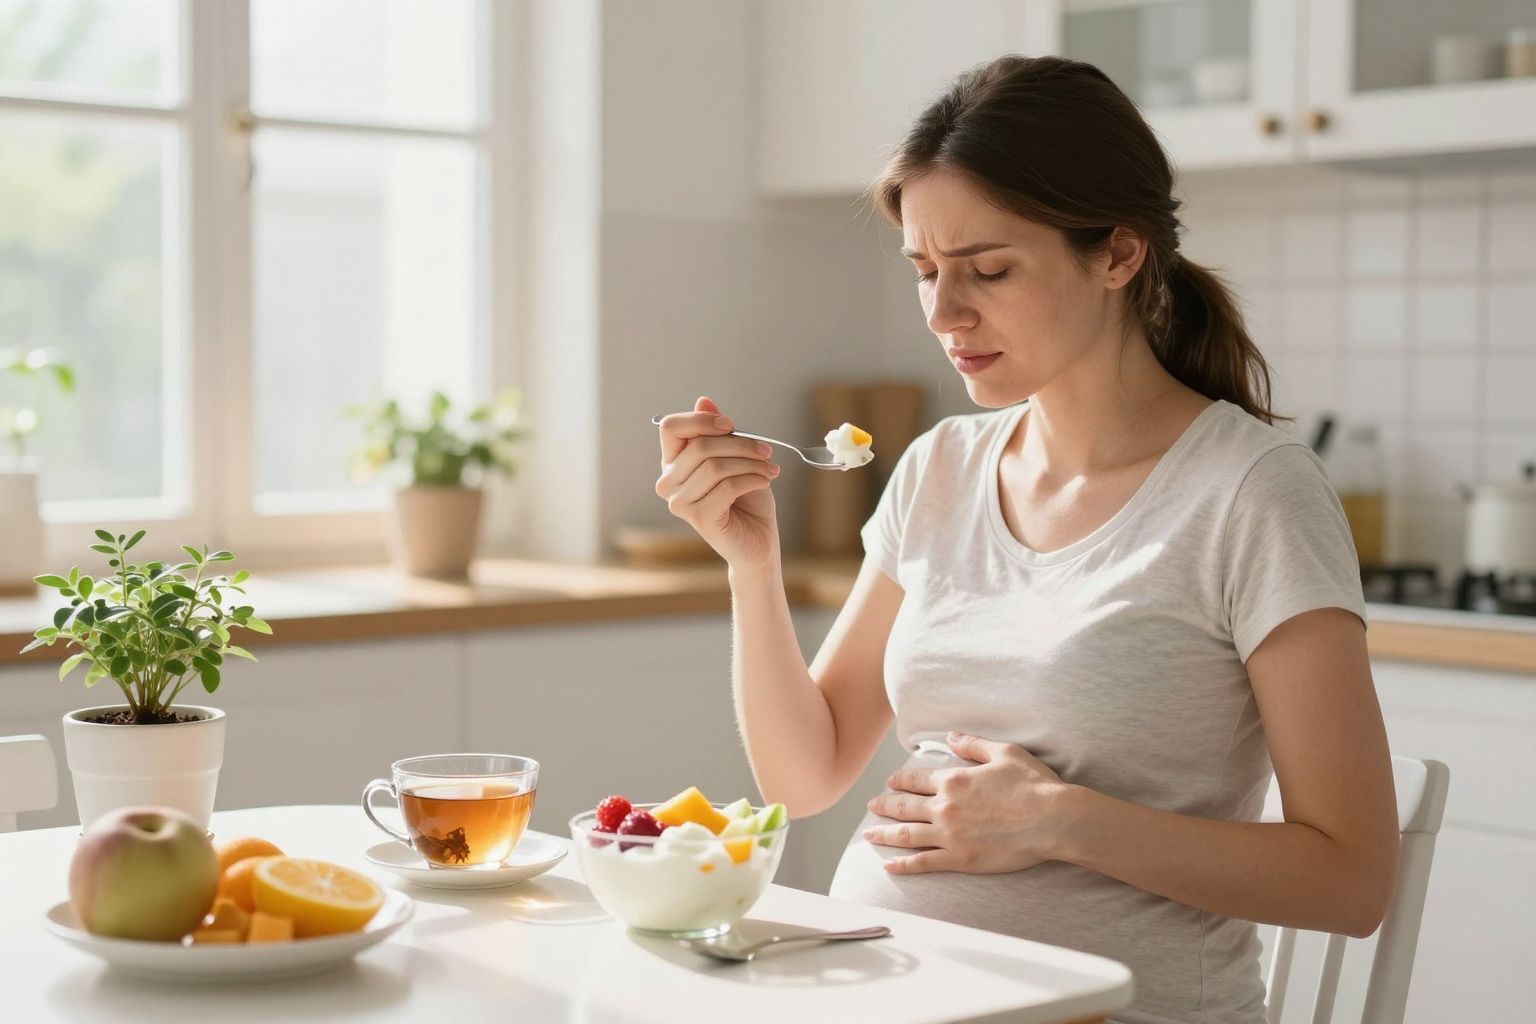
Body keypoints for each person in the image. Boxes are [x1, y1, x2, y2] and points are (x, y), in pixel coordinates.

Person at [653, 55, 1398, 1024]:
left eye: (989, 270)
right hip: (882, 994)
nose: (943, 312)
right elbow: (806, 774)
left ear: (1119, 255)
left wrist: (1062, 823)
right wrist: (751, 562)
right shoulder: (942, 466)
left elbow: (1350, 879)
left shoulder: (1251, 493)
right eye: (925, 270)